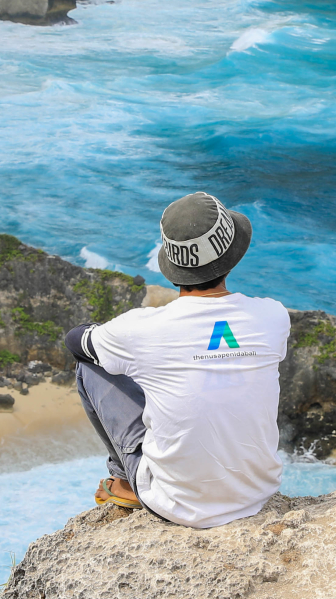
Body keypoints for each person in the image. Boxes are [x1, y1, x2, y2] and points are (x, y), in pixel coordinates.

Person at [62, 192, 291, 528]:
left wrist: (122, 343)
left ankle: (124, 479)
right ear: (231, 256)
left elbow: (74, 341)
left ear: (172, 264)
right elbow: (217, 361)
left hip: (175, 504)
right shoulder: (274, 315)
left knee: (91, 366)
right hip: (256, 494)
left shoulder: (144, 329)